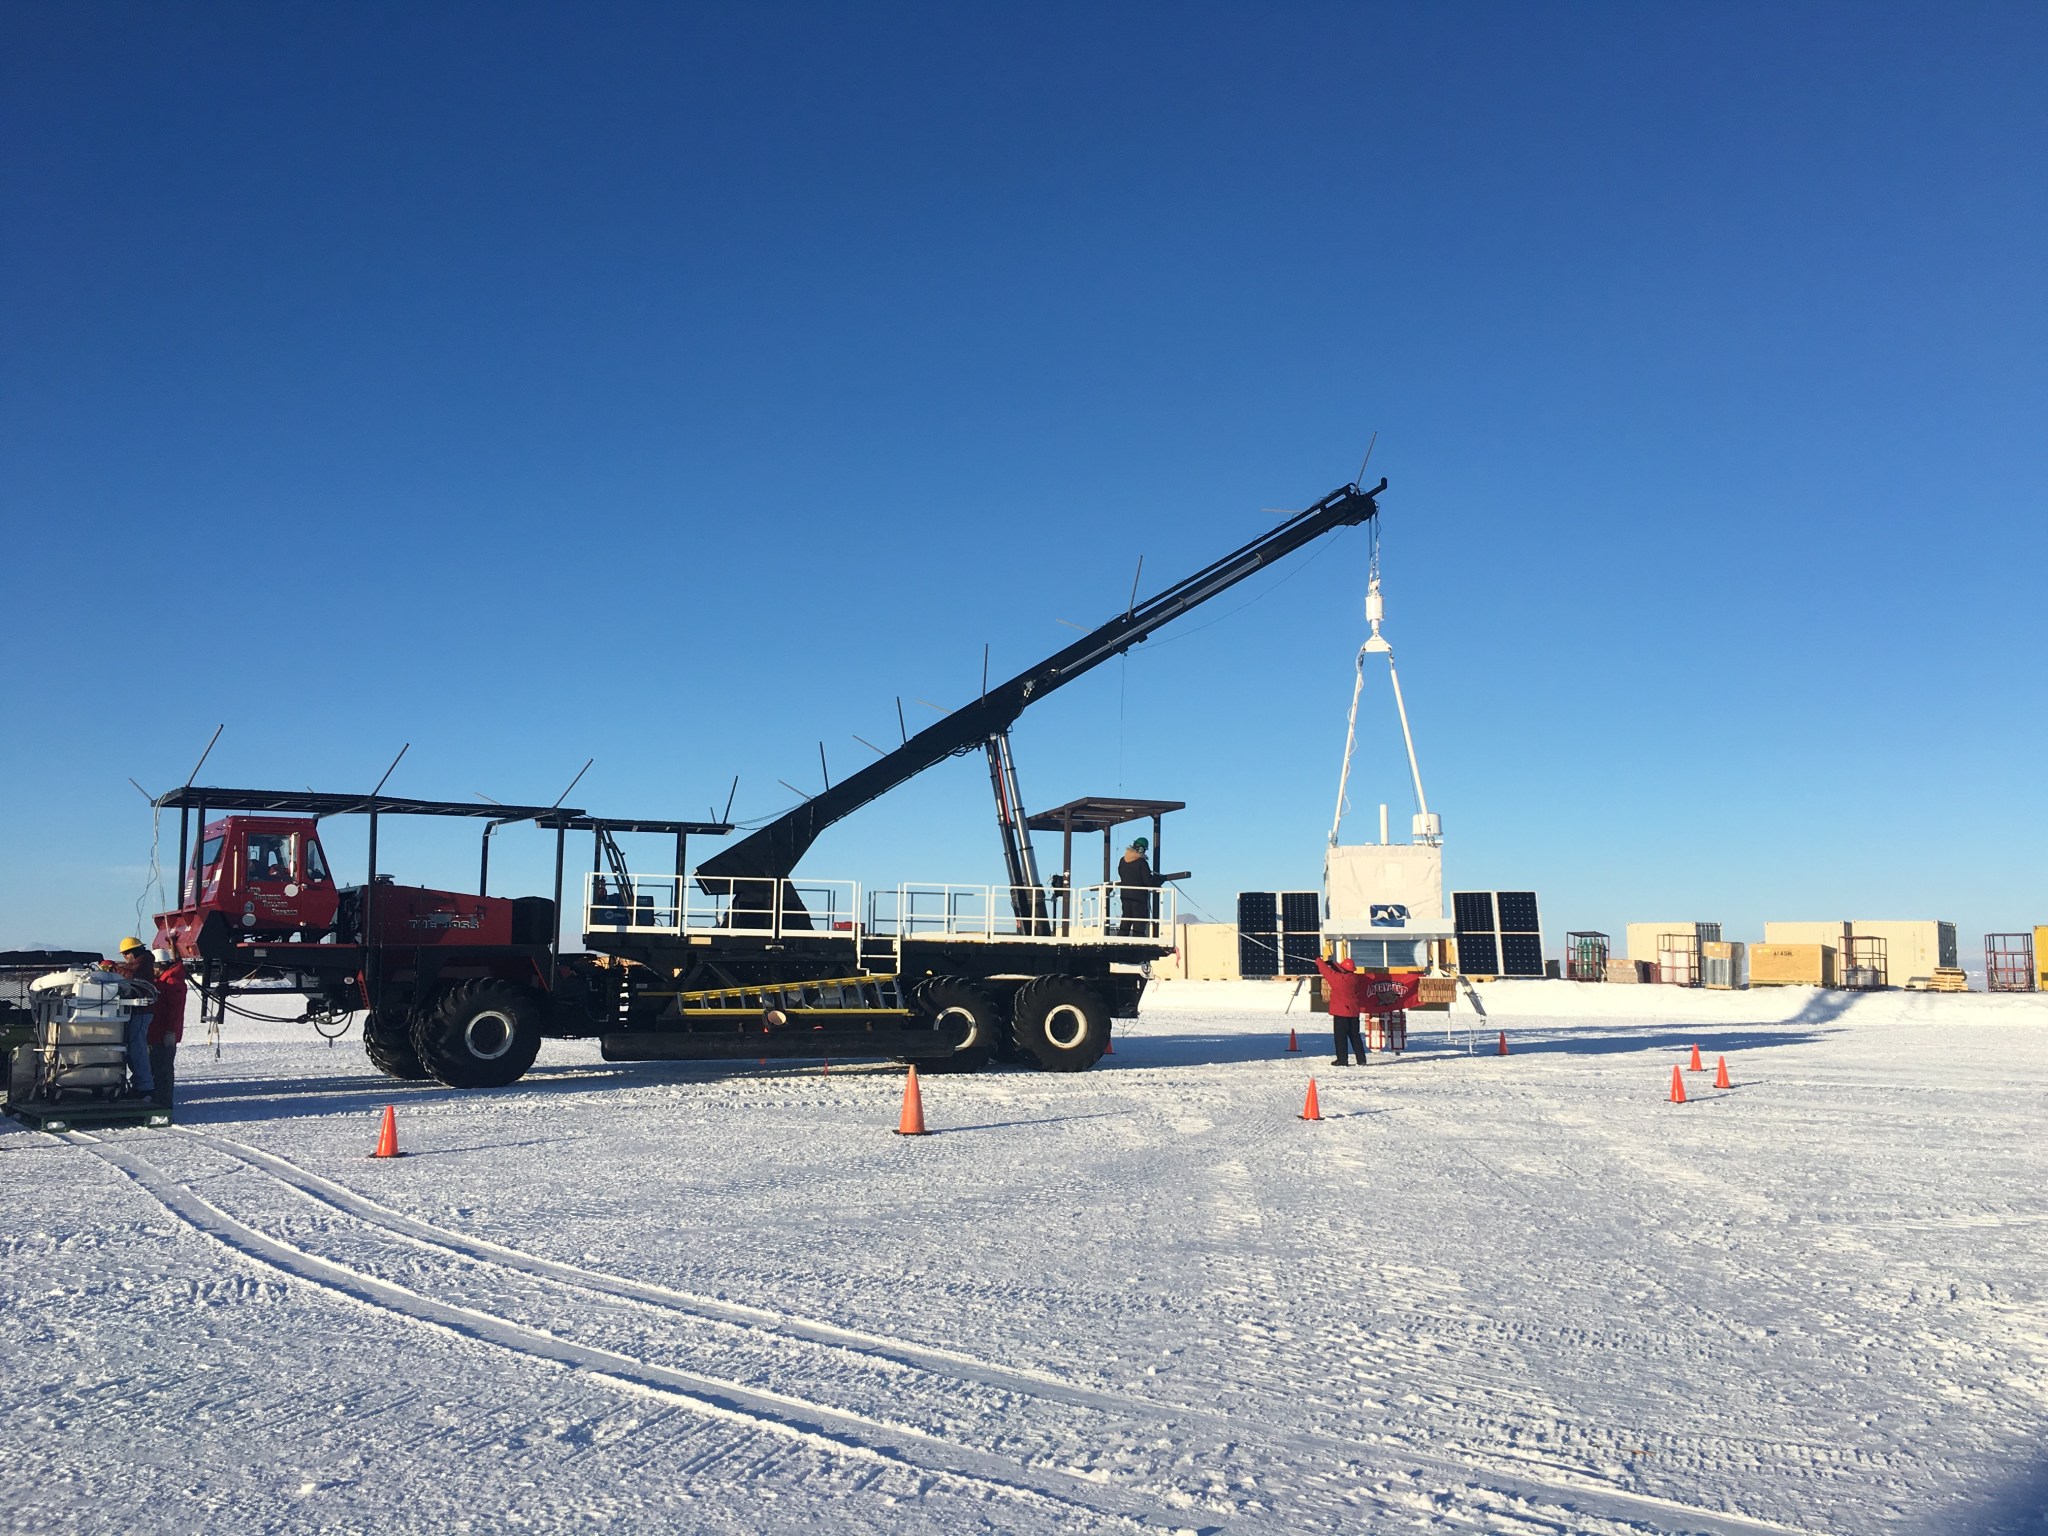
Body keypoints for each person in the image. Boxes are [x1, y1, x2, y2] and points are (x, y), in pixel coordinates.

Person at [107, 936, 157, 1099]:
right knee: (132, 1049)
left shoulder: (142, 963)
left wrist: (113, 967)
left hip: (141, 1012)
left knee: (137, 1050)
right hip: (135, 1012)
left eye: (125, 954)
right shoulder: (142, 961)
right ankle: (140, 1084)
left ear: (133, 952)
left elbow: (130, 975)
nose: (124, 958)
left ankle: (144, 1087)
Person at [1314, 949, 1368, 1066]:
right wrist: (1333, 964)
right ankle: (1361, 1059)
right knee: (1355, 1036)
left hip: (1341, 1013)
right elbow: (1341, 970)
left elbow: (1325, 971)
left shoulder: (1338, 979)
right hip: (1353, 1011)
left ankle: (1342, 1060)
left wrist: (1318, 960)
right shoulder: (1356, 979)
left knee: (1340, 1038)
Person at [147, 950, 187, 1108]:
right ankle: (157, 1099)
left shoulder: (172, 982)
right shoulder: (165, 980)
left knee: (162, 1070)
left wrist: (170, 1032)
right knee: (156, 1068)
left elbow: (175, 1011)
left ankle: (163, 1103)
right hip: (157, 1033)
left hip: (163, 1035)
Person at [1117, 837, 1160, 937]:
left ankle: (1121, 938)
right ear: (1141, 849)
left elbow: (1121, 874)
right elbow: (1148, 880)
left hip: (1125, 895)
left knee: (1126, 917)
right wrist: (1158, 881)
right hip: (1139, 897)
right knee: (1139, 919)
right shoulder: (1141, 862)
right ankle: (1138, 938)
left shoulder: (1122, 861)